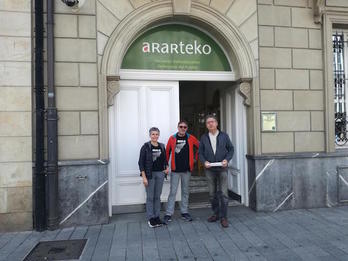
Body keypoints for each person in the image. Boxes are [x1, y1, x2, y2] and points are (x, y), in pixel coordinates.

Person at [198, 115, 234, 228]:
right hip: (210, 169)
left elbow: (231, 149)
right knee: (212, 194)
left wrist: (227, 160)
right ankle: (216, 214)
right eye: (208, 122)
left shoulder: (224, 136)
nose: (210, 124)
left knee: (223, 194)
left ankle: (224, 217)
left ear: (217, 123)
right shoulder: (204, 137)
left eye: (212, 121)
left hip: (222, 168)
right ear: (206, 125)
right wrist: (204, 162)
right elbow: (200, 153)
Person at [163, 120, 200, 224]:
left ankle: (184, 212)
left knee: (185, 192)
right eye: (181, 127)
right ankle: (168, 213)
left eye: (184, 127)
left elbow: (200, 147)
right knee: (173, 192)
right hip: (175, 170)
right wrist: (166, 165)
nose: (183, 129)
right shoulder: (172, 138)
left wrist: (195, 159)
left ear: (187, 128)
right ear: (178, 127)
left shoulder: (191, 138)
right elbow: (167, 153)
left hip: (187, 170)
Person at [138, 127, 169, 228]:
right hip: (150, 175)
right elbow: (141, 163)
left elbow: (165, 160)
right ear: (150, 135)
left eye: (156, 134)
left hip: (160, 174)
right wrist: (144, 177)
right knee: (150, 197)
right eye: (153, 134)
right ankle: (151, 218)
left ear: (158, 135)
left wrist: (166, 168)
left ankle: (156, 217)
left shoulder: (162, 146)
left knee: (157, 197)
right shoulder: (146, 147)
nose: (155, 136)